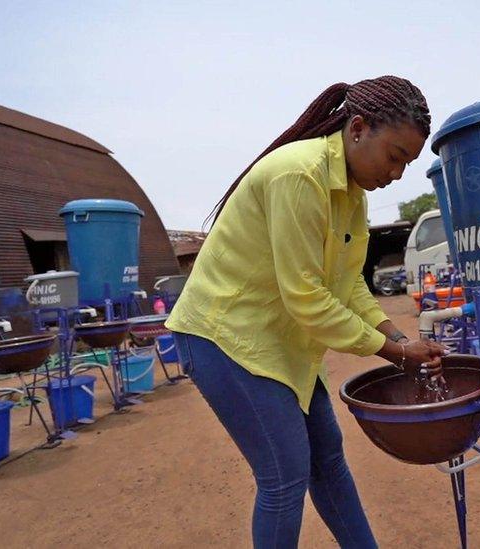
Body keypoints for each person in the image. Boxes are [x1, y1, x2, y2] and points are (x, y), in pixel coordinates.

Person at [167, 75, 447, 548]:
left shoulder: (352, 194)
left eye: (408, 163)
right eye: (395, 156)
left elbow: (347, 285)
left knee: (328, 461)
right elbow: (307, 298)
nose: (397, 173)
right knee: (284, 476)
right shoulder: (299, 175)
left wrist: (398, 339)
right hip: (224, 338)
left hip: (278, 341)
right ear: (358, 128)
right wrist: (395, 355)